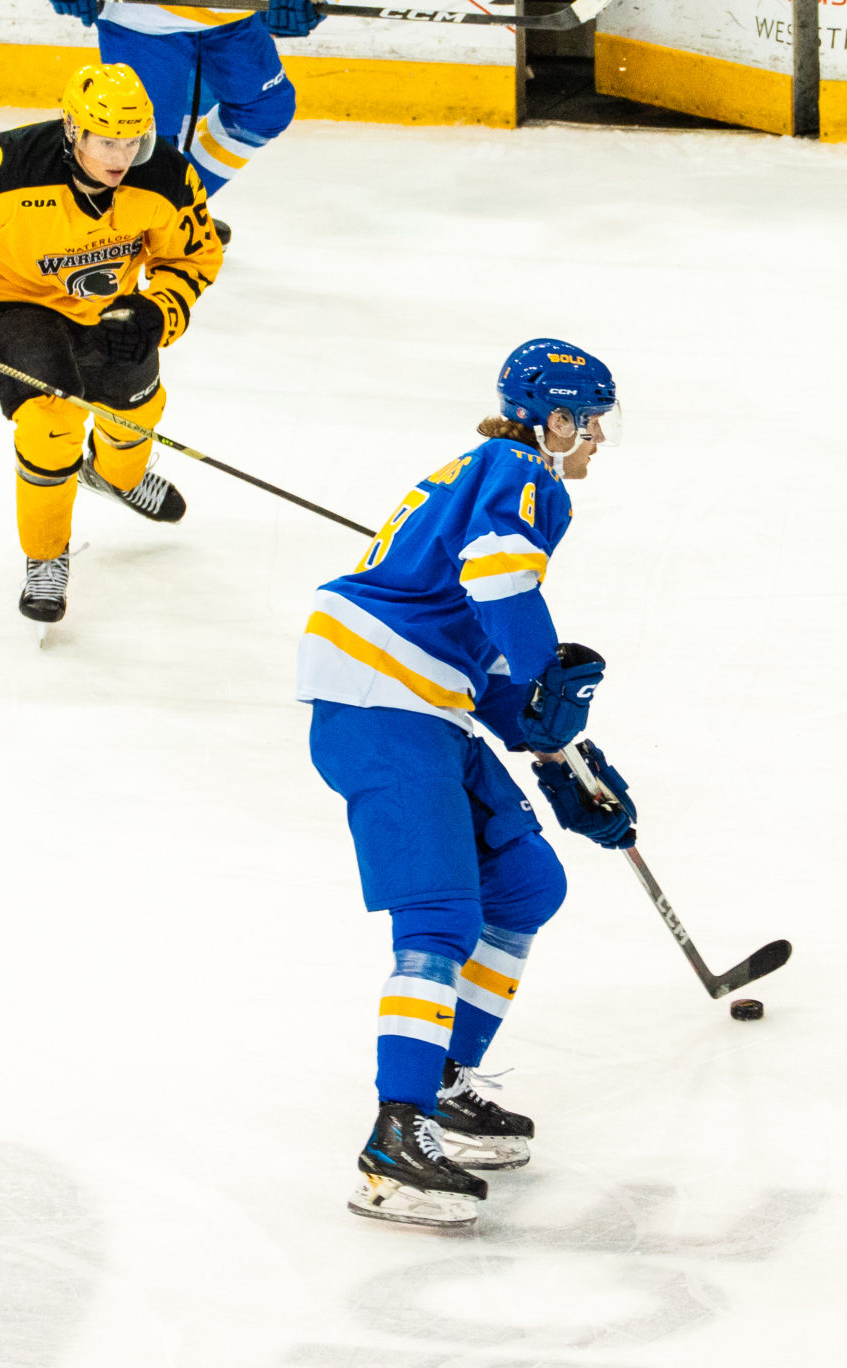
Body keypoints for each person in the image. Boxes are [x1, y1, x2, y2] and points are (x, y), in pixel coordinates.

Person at [300, 339, 638, 1230]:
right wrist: (547, 681)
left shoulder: (491, 473)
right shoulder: (522, 470)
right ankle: (395, 1138)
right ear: (554, 419)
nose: (599, 438)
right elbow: (498, 581)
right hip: (381, 701)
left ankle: (442, 1084)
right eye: (592, 421)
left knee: (527, 882)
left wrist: (559, 749)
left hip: (422, 697)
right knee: (442, 916)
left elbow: (482, 663)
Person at [0, 61, 222, 624]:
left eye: (133, 140)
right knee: (50, 425)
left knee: (136, 413)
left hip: (109, 308)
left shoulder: (163, 176)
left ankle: (115, 477)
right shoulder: (1, 168)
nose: (121, 157)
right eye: (106, 140)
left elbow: (194, 256)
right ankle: (45, 556)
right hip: (10, 303)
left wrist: (159, 312)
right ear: (72, 130)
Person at [45, 1, 325, 237]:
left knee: (264, 109)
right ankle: (131, 221)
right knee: (144, 142)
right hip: (142, 20)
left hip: (231, 17)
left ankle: (173, 208)